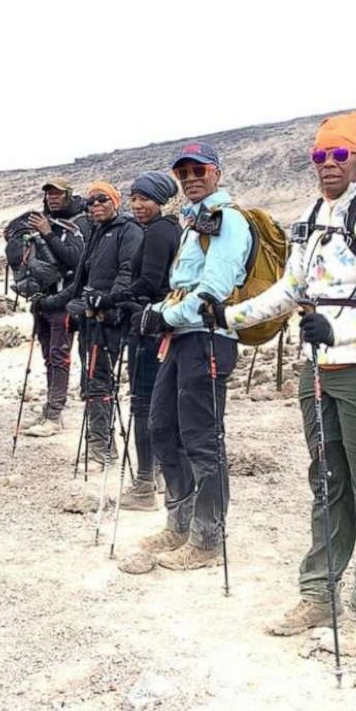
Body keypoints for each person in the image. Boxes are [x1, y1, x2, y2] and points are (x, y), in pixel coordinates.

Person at [223, 111, 356, 655]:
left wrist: (338, 327)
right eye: (320, 155)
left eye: (340, 155)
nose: (328, 164)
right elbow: (291, 289)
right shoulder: (313, 213)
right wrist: (226, 316)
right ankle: (318, 594)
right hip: (322, 366)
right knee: (327, 480)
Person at [127, 142, 252, 571]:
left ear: (216, 172)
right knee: (162, 427)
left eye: (199, 170)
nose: (191, 178)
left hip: (209, 337)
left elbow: (212, 290)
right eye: (183, 172)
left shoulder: (226, 220)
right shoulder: (192, 222)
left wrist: (160, 313)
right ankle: (178, 523)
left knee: (201, 439)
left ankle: (206, 537)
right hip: (182, 338)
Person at [39, 182, 142, 462]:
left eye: (103, 200)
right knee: (92, 380)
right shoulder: (95, 232)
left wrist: (104, 301)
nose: (96, 205)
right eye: (92, 202)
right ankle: (101, 446)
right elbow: (80, 281)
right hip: (88, 319)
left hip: (109, 319)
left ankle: (102, 450)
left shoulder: (128, 230)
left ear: (115, 202)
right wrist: (51, 302)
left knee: (99, 381)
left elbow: (127, 272)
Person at [105, 171, 181, 509]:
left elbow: (150, 281)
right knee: (161, 403)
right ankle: (162, 475)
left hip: (148, 328)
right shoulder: (171, 229)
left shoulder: (157, 233)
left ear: (160, 201)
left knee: (143, 403)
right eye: (134, 198)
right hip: (164, 326)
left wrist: (112, 298)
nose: (137, 205)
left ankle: (144, 485)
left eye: (145, 199)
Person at [22, 178, 89, 438]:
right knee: (49, 357)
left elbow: (76, 259)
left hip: (65, 300)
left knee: (59, 356)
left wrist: (48, 233)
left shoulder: (79, 224)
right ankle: (51, 409)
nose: (52, 197)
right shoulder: (45, 220)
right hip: (43, 300)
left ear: (69, 195)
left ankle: (54, 413)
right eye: (48, 193)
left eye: (58, 193)